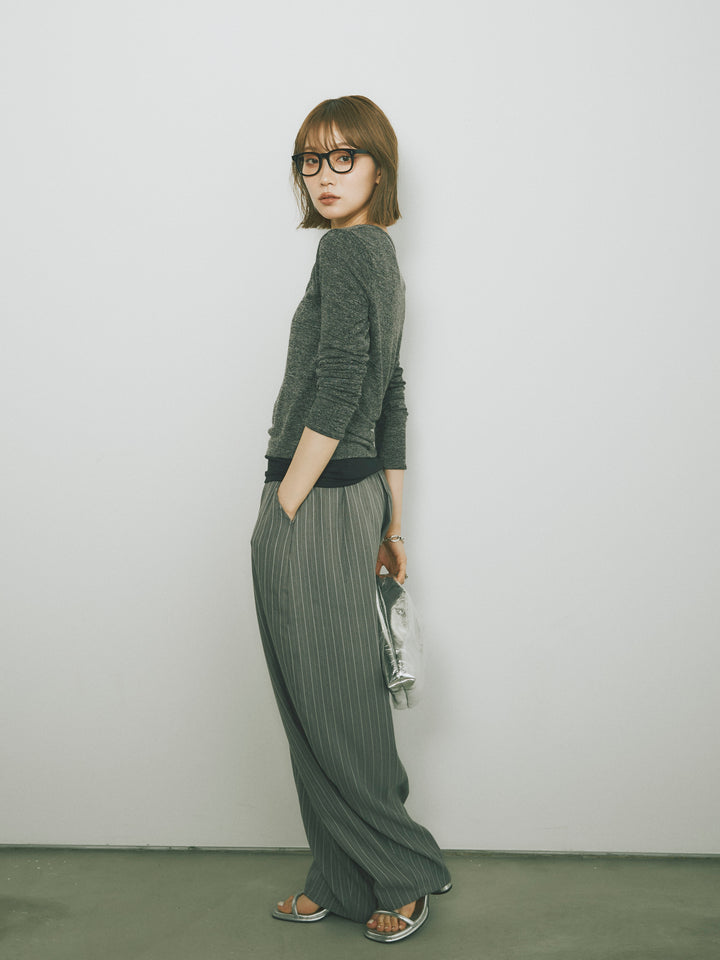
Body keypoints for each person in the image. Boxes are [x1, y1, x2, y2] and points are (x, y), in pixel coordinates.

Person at [250, 94, 452, 944]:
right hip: (354, 496)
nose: (324, 175)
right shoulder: (380, 257)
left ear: (379, 166)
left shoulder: (349, 251)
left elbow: (343, 384)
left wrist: (287, 499)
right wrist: (391, 521)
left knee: (332, 705)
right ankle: (339, 877)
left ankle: (404, 871)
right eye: (311, 159)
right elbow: (390, 393)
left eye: (344, 157)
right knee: (321, 699)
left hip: (319, 498)